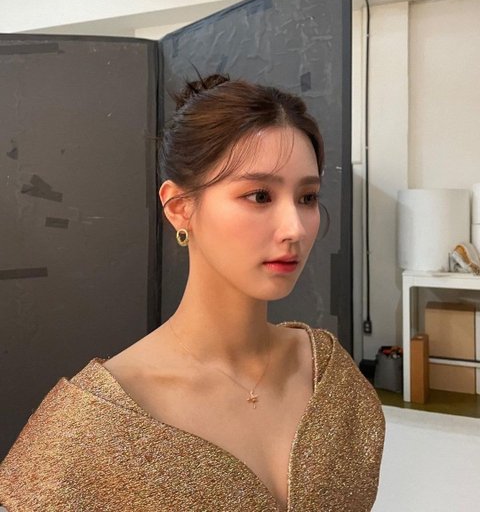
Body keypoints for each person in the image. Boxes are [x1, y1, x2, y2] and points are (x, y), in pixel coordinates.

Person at [0, 73, 385, 512]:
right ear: (180, 207)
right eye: (260, 195)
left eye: (308, 197)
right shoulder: (91, 426)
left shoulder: (331, 379)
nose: (295, 228)